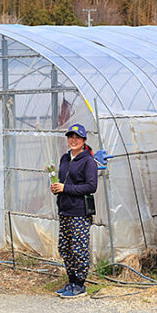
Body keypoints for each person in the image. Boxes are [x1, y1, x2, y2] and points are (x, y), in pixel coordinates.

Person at [51, 124, 98, 298]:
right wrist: (57, 188)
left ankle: (80, 285)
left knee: (79, 248)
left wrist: (66, 188)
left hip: (79, 212)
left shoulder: (88, 161)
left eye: (77, 137)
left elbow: (91, 186)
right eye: (71, 137)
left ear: (84, 140)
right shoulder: (65, 158)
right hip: (64, 210)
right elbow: (63, 182)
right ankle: (71, 282)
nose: (73, 140)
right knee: (65, 248)